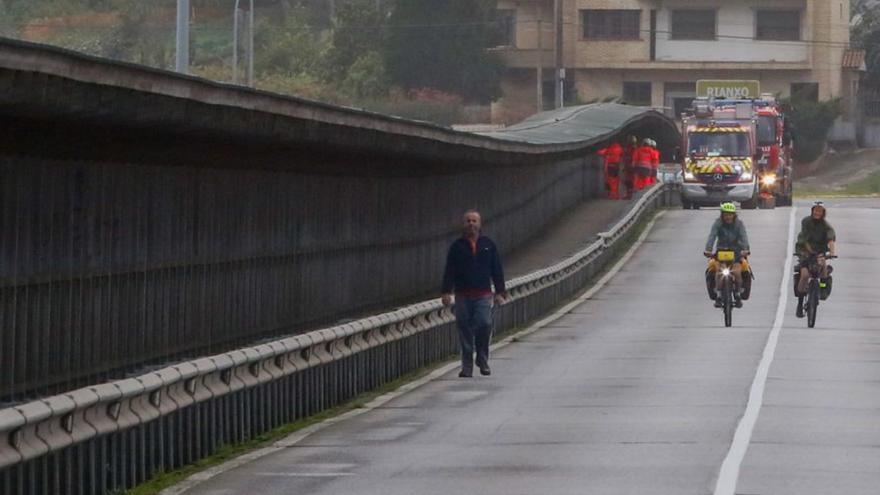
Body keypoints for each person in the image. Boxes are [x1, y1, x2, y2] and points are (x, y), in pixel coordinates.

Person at [441, 210, 507, 377]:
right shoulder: (457, 247)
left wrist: (500, 291)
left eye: (474, 221)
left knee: (484, 324)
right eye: (468, 221)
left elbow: (496, 269)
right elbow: (450, 270)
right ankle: (467, 366)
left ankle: (482, 359)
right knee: (464, 330)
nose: (471, 224)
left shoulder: (488, 245)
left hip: (483, 294)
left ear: (480, 224)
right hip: (463, 295)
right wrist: (446, 291)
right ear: (463, 224)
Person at [704, 202, 751, 308]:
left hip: (736, 253)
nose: (728, 217)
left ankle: (738, 294)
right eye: (726, 214)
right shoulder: (717, 223)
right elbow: (712, 236)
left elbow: (744, 236)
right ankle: (719, 296)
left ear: (734, 215)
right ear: (722, 215)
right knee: (719, 272)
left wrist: (745, 249)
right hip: (721, 252)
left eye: (730, 214)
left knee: (737, 273)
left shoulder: (739, 224)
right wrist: (708, 249)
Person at [794, 201, 836, 318]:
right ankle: (800, 303)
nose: (817, 213)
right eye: (815, 210)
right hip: (805, 251)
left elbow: (831, 239)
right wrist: (809, 251)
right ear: (812, 211)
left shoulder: (826, 226)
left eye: (820, 211)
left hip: (819, 252)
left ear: (823, 213)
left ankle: (822, 287)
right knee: (805, 275)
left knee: (822, 267)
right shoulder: (806, 222)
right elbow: (804, 239)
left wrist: (832, 253)